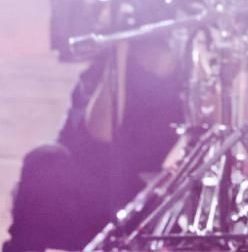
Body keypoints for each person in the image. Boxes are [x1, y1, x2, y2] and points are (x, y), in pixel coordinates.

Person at [3, 37, 184, 252]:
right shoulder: (101, 74)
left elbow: (207, 127)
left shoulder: (183, 84)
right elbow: (102, 132)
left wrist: (202, 53)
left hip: (147, 204)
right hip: (86, 199)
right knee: (45, 159)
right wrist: (118, 54)